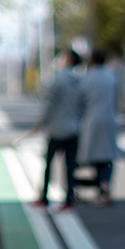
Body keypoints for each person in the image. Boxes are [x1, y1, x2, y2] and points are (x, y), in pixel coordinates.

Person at [33, 47, 85, 211]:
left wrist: (40, 123)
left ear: (69, 59)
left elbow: (49, 104)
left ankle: (44, 198)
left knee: (49, 165)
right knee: (70, 166)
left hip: (56, 129)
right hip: (73, 128)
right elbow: (83, 105)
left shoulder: (58, 79)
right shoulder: (80, 80)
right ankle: (69, 200)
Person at [76, 47, 118, 204]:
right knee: (107, 157)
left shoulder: (87, 78)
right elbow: (116, 100)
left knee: (85, 156)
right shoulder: (111, 77)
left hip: (90, 121)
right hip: (109, 120)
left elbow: (80, 101)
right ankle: (105, 186)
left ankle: (79, 187)